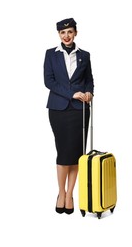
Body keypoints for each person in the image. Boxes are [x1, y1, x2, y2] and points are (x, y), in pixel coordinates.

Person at [43, 18, 94, 214]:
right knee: (64, 153)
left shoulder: (85, 55)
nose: (66, 36)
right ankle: (60, 193)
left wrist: (89, 92)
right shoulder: (51, 54)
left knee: (76, 155)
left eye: (70, 32)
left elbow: (89, 80)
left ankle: (70, 193)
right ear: (59, 34)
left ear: (75, 33)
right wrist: (70, 93)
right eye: (63, 33)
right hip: (58, 110)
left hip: (80, 110)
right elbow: (49, 81)